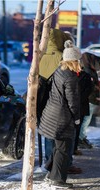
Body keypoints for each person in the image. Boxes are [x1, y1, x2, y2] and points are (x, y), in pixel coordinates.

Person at [39, 40, 82, 188]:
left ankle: (51, 174)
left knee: (57, 148)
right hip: (62, 118)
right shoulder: (71, 77)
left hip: (51, 114)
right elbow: (73, 101)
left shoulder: (59, 70)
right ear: (74, 61)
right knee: (63, 149)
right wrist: (77, 118)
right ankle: (57, 179)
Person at [38, 28, 73, 163]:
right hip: (59, 102)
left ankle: (49, 162)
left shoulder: (39, 57)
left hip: (41, 102)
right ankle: (62, 164)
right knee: (63, 137)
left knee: (48, 134)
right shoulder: (63, 57)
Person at [78, 52, 100, 148]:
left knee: (86, 119)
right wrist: (96, 89)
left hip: (90, 98)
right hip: (89, 98)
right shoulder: (89, 71)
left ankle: (81, 137)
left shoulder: (88, 70)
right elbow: (90, 86)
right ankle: (81, 138)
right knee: (86, 120)